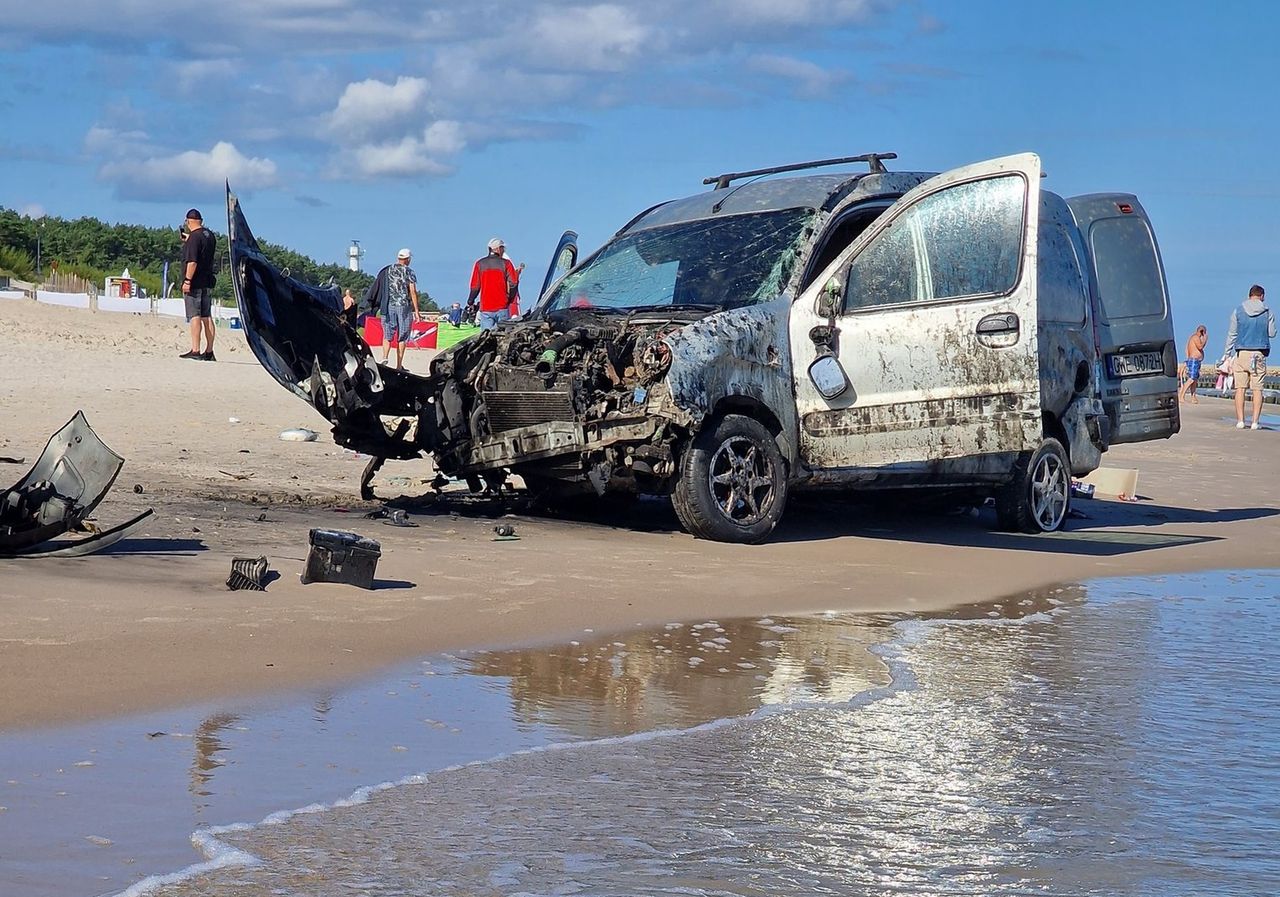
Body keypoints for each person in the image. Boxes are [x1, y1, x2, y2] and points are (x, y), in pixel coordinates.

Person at [1223, 284, 1276, 429]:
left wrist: (1227, 353)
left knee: (1240, 388)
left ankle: (1240, 421)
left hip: (1242, 353)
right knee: (1257, 389)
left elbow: (1232, 334)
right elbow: (1272, 333)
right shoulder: (1267, 312)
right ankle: (1255, 422)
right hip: (1258, 353)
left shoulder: (1238, 311)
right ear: (1262, 296)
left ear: (1249, 295)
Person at [179, 208, 217, 361]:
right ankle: (209, 351)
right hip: (207, 281)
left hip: (195, 282)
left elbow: (193, 261)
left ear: (188, 221)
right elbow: (202, 247)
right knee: (207, 316)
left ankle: (195, 350)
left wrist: (187, 281)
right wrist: (190, 239)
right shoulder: (209, 235)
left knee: (195, 315)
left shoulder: (194, 238)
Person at [468, 237, 519, 331]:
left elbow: (475, 286)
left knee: (486, 339)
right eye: (503, 248)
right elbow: (514, 283)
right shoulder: (506, 264)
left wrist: (470, 301)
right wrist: (510, 299)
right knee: (503, 337)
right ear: (498, 249)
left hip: (486, 308)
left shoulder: (479, 264)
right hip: (502, 306)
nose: (504, 250)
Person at [382, 248, 421, 369]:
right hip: (403, 305)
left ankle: (385, 357)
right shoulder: (409, 271)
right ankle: (399, 365)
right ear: (408, 259)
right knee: (402, 336)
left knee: (387, 333)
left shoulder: (388, 269)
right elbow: (413, 291)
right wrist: (417, 311)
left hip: (389, 304)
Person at [1178, 324, 1208, 404]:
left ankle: (1193, 397)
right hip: (1194, 360)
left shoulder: (1193, 338)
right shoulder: (1195, 337)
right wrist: (1205, 338)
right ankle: (1181, 396)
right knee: (1191, 379)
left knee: (1194, 380)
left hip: (1196, 360)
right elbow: (1200, 346)